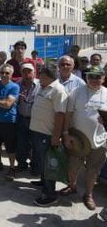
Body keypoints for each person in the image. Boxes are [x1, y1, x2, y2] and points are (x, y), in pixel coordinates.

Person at [61, 66, 107, 210]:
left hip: (100, 140)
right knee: (73, 167)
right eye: (91, 76)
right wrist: (66, 134)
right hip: (77, 139)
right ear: (87, 77)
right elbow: (68, 114)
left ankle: (88, 195)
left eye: (98, 77)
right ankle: (72, 186)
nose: (94, 80)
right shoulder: (77, 92)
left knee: (93, 170)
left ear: (103, 78)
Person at [29, 65, 68, 207]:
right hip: (37, 131)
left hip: (47, 133)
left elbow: (60, 114)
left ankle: (50, 194)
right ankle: (43, 181)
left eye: (42, 75)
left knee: (48, 164)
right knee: (41, 160)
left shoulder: (58, 90)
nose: (39, 77)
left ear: (50, 76)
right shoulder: (43, 87)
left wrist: (56, 136)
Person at [15, 63, 40, 174]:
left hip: (36, 119)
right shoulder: (17, 84)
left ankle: (35, 166)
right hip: (21, 117)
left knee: (35, 144)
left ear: (34, 73)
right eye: (24, 71)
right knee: (21, 143)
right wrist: (17, 99)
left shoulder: (41, 84)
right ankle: (21, 164)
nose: (26, 74)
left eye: (29, 71)